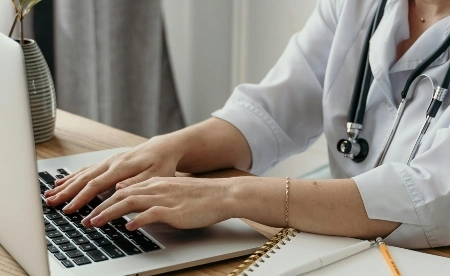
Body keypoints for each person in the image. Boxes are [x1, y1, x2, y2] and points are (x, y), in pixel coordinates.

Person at [45, 0, 450, 249]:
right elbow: (274, 110)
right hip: (343, 248)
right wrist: (169, 147)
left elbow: (430, 194)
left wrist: (231, 195)